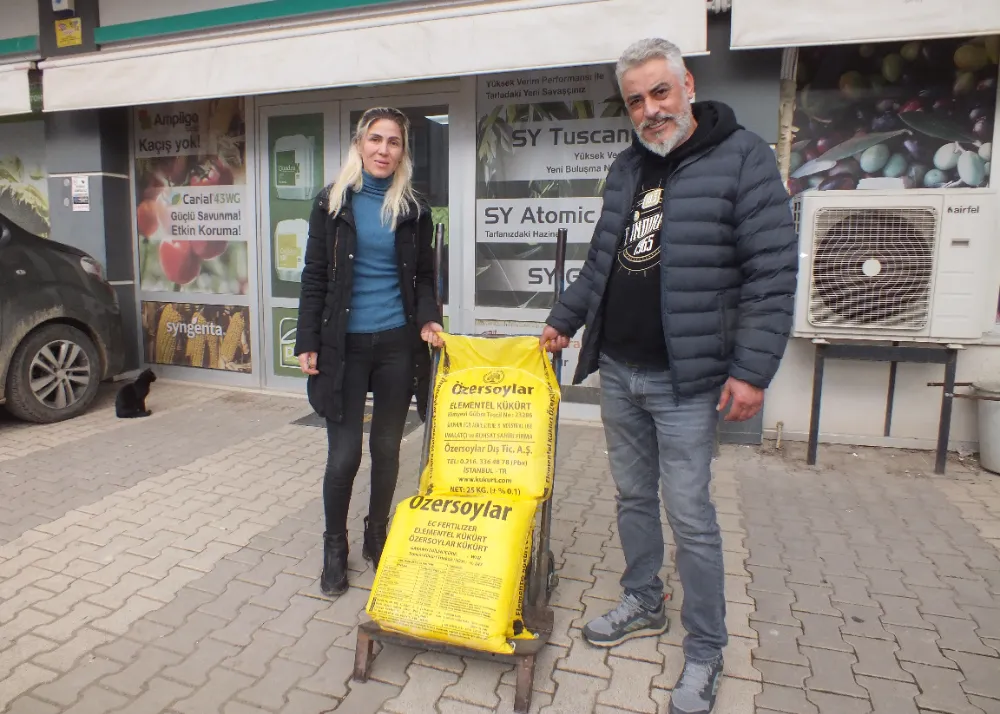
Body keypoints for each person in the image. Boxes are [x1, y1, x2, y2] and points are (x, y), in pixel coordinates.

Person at [540, 38, 798, 714]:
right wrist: (562, 320)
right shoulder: (628, 168)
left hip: (689, 380)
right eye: (636, 100)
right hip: (620, 370)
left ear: (686, 84)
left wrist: (752, 370)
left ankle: (707, 648)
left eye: (659, 92)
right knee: (630, 498)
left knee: (691, 516)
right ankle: (644, 600)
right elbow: (601, 261)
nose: (650, 109)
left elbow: (772, 274)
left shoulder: (743, 159)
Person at [295, 106, 443, 597]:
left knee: (386, 449)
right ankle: (334, 547)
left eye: (393, 142)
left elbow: (424, 276)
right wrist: (307, 341)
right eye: (375, 140)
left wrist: (427, 318)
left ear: (403, 151)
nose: (383, 149)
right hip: (345, 348)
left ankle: (376, 533)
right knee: (344, 457)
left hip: (398, 345)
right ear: (360, 144)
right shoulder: (333, 203)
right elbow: (315, 275)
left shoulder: (412, 208)